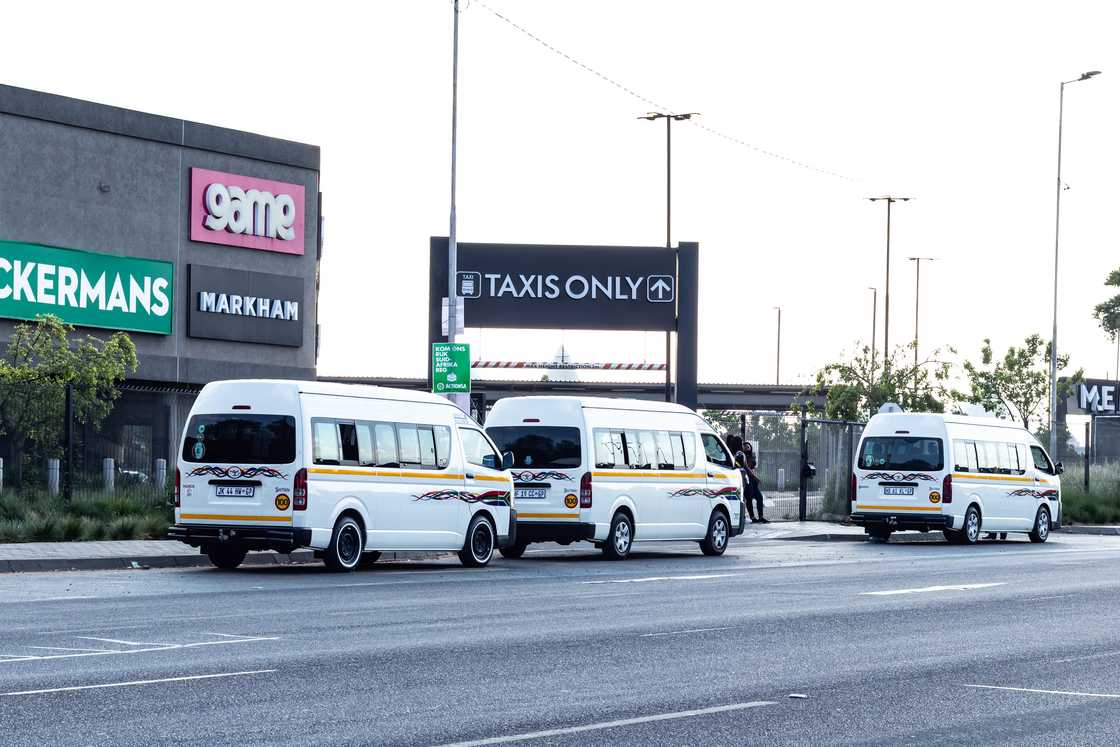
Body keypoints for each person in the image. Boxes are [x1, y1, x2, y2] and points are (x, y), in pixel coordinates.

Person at [742, 441, 767, 523]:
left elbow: (753, 468)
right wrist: (755, 477)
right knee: (749, 499)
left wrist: (755, 477)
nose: (747, 448)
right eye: (745, 446)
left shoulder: (752, 456)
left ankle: (761, 516)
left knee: (759, 497)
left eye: (748, 446)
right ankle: (752, 517)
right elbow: (747, 468)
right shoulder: (742, 456)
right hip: (747, 479)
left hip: (752, 480)